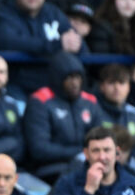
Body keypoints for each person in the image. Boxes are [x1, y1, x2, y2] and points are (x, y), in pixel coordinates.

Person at [0, 0, 82, 94]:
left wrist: (76, 44)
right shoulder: (2, 14)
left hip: (53, 87)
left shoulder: (54, 13)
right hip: (14, 86)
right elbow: (9, 42)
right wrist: (57, 45)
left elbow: (74, 41)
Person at [23, 52, 104, 183]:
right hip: (50, 170)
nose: (75, 83)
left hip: (89, 166)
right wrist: (80, 152)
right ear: (58, 78)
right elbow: (39, 149)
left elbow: (100, 139)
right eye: (69, 78)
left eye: (78, 77)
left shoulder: (90, 102)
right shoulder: (40, 101)